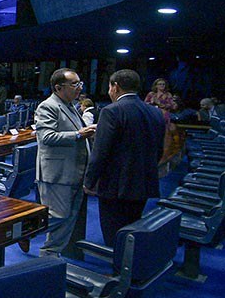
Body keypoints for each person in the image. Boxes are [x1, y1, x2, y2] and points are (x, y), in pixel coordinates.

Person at [84, 69, 166, 246]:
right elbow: (159, 150)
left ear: (115, 87)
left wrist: (89, 181)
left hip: (116, 186)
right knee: (132, 228)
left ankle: (118, 271)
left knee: (114, 235)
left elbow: (100, 153)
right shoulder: (155, 112)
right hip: (143, 182)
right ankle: (130, 265)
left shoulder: (111, 111)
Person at [35, 68, 96, 257]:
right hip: (56, 174)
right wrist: (79, 134)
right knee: (58, 216)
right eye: (74, 84)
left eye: (80, 83)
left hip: (74, 172)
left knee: (69, 218)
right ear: (58, 87)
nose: (79, 88)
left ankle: (50, 255)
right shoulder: (48, 106)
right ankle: (24, 233)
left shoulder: (70, 105)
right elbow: (46, 136)